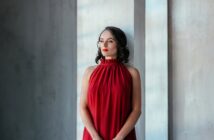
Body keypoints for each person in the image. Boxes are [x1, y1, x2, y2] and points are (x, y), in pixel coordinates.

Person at [79, 26, 142, 140]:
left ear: (119, 44)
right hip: (93, 137)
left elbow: (136, 110)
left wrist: (119, 137)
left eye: (110, 41)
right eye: (101, 41)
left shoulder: (132, 73)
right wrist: (94, 136)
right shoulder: (89, 72)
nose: (104, 45)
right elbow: (83, 108)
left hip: (123, 137)